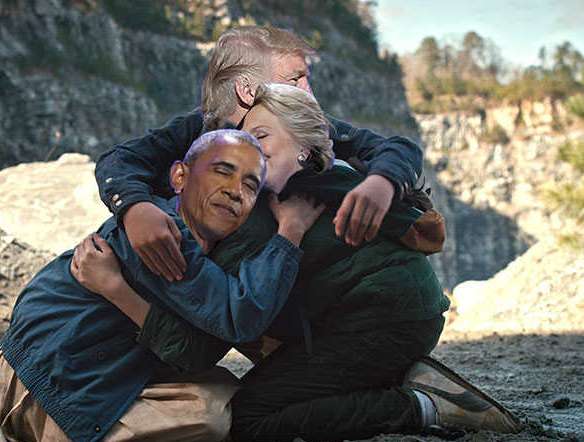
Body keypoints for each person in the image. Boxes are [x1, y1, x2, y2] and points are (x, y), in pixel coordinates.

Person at [76, 82, 522, 442]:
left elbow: (207, 340)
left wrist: (117, 288)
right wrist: (134, 205)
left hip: (390, 323)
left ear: (304, 149)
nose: (249, 148)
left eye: (262, 137)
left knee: (251, 417)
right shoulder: (283, 189)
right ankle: (393, 374)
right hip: (378, 317)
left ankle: (425, 406)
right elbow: (125, 159)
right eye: (243, 140)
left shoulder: (277, 206)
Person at [0, 129, 327, 442]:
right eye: (222, 171)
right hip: (42, 390)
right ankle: (45, 432)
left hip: (63, 367)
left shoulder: (193, 242)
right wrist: (290, 231)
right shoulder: (162, 235)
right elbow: (239, 317)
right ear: (180, 177)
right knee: (217, 413)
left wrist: (118, 291)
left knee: (221, 383)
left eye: (250, 185)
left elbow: (198, 351)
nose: (235, 191)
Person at [95, 25, 427, 283]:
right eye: (295, 80)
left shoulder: (300, 124)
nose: (308, 92)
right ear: (247, 90)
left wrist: (382, 183)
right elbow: (119, 160)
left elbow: (396, 147)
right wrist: (135, 209)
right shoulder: (193, 131)